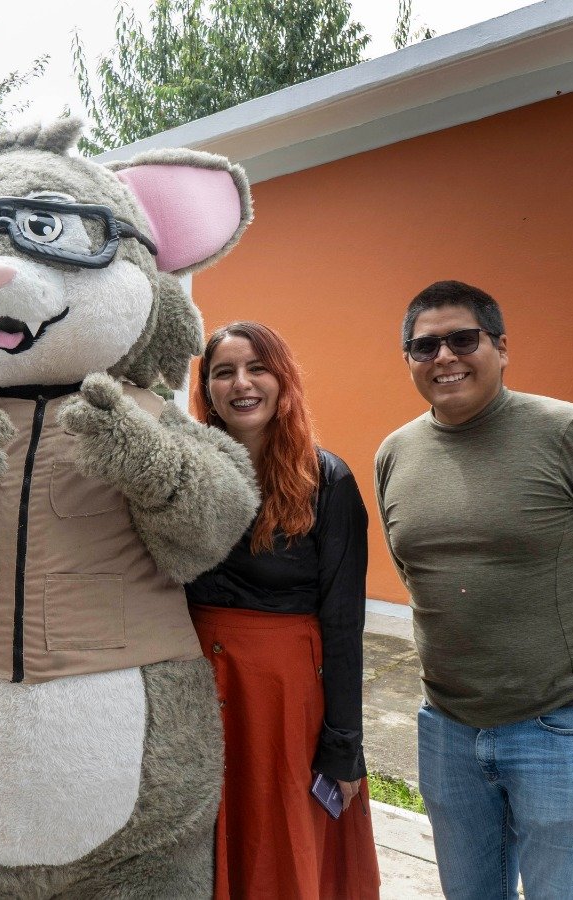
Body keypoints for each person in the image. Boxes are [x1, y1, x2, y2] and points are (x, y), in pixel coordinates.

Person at [374, 280, 573, 900]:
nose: (445, 356)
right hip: (449, 729)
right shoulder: (395, 453)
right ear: (408, 359)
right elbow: (418, 572)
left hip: (563, 726)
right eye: (425, 345)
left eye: (464, 339)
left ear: (501, 347)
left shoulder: (570, 433)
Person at [186, 321, 381, 900]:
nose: (241, 384)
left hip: (282, 697)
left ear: (283, 381)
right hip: (191, 686)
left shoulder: (327, 479)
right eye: (224, 371)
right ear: (208, 389)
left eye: (257, 368)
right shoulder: (188, 474)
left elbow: (344, 622)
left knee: (278, 837)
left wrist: (344, 744)